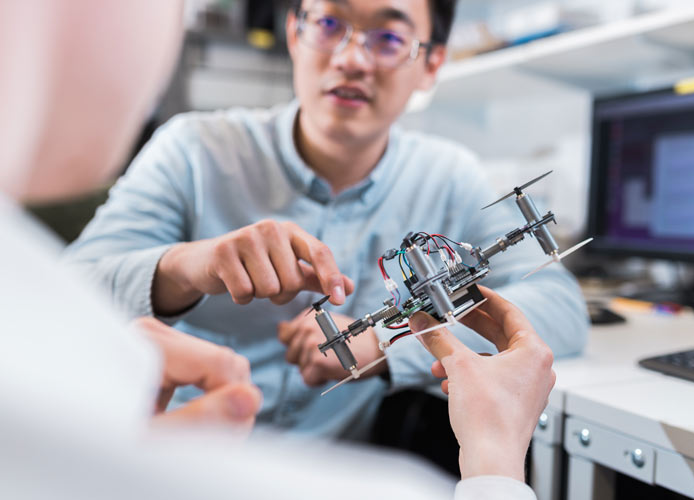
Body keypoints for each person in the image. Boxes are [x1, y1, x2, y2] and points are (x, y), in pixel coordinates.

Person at [0, 3, 555, 497]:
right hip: (168, 468)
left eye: (387, 38)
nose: (351, 58)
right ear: (294, 33)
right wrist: (186, 267)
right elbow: (56, 300)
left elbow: (557, 302)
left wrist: (387, 348)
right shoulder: (192, 150)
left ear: (432, 63)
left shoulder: (449, 175)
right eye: (329, 24)